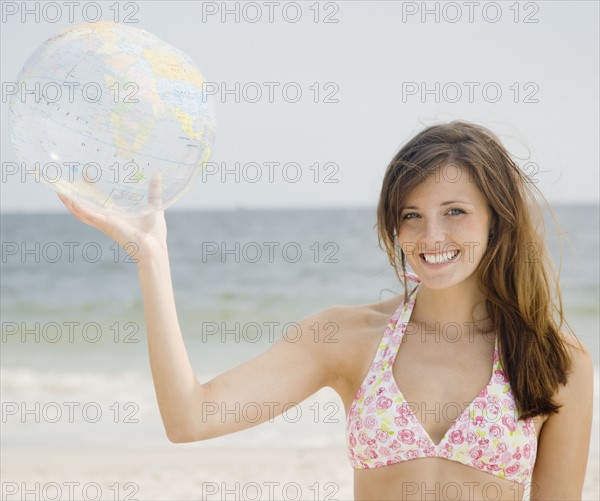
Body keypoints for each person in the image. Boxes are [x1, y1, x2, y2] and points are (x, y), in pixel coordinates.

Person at [59, 120, 593, 500]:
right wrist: (152, 261)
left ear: (496, 221)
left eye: (455, 212)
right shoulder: (347, 337)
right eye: (412, 216)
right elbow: (190, 418)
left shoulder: (555, 359)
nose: (432, 236)